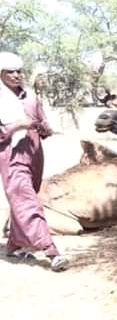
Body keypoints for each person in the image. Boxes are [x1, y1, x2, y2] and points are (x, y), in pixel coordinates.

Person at [0, 51, 69, 271]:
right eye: (11, 72)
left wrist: (45, 128)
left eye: (20, 71)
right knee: (26, 200)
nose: (17, 75)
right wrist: (17, 126)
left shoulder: (30, 96)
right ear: (1, 74)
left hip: (35, 154)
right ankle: (51, 251)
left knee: (25, 198)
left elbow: (41, 122)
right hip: (12, 156)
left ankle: (14, 245)